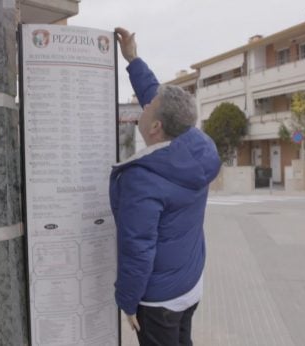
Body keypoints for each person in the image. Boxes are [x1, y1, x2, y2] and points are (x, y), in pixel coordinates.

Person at [110, 27, 222, 346]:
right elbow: (155, 93)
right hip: (190, 283)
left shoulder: (142, 179)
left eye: (148, 107)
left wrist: (128, 301)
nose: (144, 105)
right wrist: (132, 59)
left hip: (159, 301)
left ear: (156, 127)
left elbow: (138, 249)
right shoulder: (198, 145)